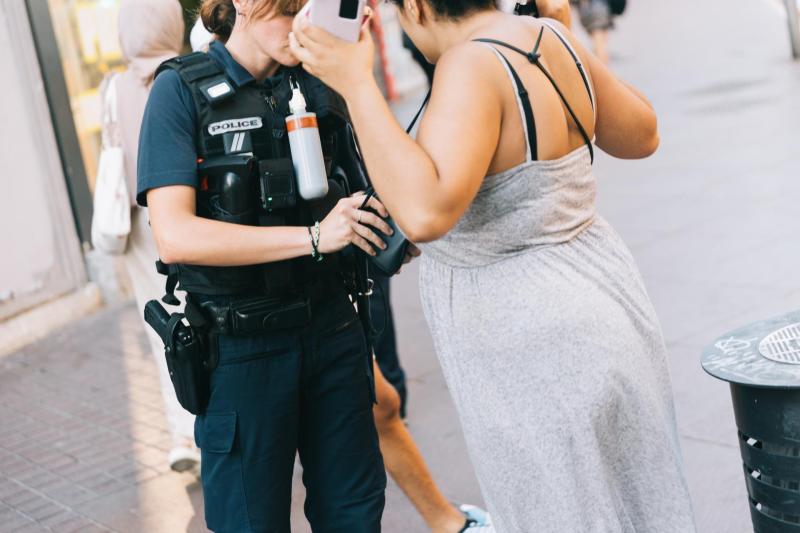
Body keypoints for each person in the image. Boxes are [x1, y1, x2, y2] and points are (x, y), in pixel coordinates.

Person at [290, 1, 697, 531]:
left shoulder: (469, 64)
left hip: (534, 342)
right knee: (636, 503)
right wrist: (566, 40)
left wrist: (357, 84)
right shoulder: (547, 35)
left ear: (414, 6)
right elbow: (641, 133)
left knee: (561, 514)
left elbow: (426, 212)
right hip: (607, 302)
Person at [137, 0, 391, 529]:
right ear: (247, 4)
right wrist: (314, 237)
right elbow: (175, 236)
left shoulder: (322, 84)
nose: (303, 25)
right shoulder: (180, 91)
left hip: (334, 332)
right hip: (241, 351)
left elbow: (368, 187)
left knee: (356, 514)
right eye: (293, 9)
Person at [108, 0, 199, 474]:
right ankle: (208, 421)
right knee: (207, 315)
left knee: (162, 328)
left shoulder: (112, 88)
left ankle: (182, 432)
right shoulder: (188, 76)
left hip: (141, 227)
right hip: (191, 216)